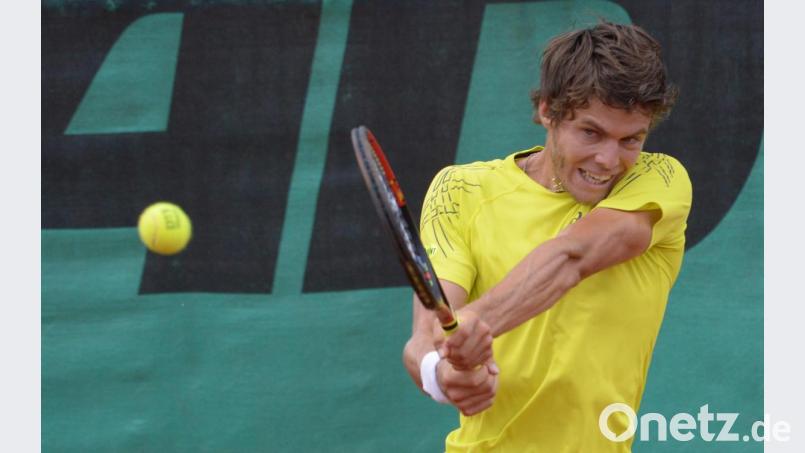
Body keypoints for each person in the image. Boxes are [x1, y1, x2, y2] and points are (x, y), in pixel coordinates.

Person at [402, 21, 692, 452]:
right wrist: (440, 372)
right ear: (547, 111)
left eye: (631, 139)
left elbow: (572, 257)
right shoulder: (460, 189)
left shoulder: (659, 179)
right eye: (591, 133)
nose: (608, 159)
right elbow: (426, 334)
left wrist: (471, 329)